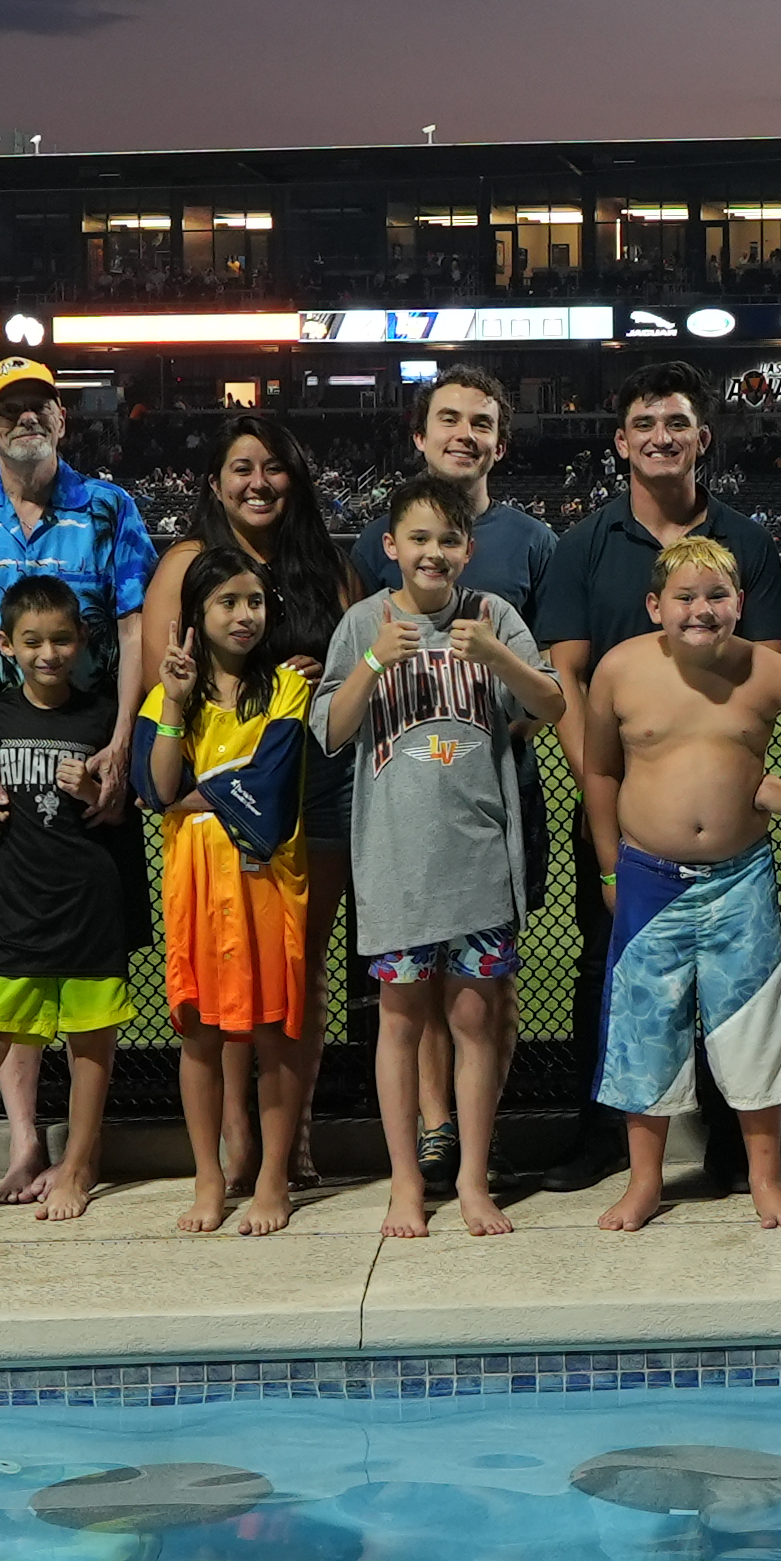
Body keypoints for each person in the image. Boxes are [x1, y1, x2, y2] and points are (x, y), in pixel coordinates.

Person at [533, 360, 781, 1194]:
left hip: (721, 822)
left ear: (701, 438)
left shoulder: (745, 542)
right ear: (621, 442)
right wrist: (598, 785)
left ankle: (729, 1146)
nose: (661, 437)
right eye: (645, 424)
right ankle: (603, 1136)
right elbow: (566, 678)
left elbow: (776, 662)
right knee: (610, 969)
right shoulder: (586, 544)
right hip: (623, 809)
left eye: (676, 423)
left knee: (733, 979)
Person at [0, 356, 155, 1205]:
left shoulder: (109, 506)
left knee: (80, 948)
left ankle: (72, 1152)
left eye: (40, 405)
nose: (26, 420)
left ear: (62, 417)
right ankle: (23, 1142)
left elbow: (132, 622)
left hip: (86, 749)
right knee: (3, 956)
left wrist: (121, 743)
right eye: (8, 410)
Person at [584, 536, 781, 1231]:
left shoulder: (765, 670)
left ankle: (765, 1177)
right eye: (684, 596)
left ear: (740, 604)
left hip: (739, 879)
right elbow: (599, 771)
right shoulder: (620, 669)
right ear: (655, 605)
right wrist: (606, 865)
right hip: (647, 878)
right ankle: (646, 1181)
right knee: (645, 1028)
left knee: (753, 1027)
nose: (701, 609)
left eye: (717, 596)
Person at [313, 474, 564, 1240]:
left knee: (476, 1019)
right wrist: (372, 664)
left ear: (468, 549)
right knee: (398, 1021)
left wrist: (496, 656)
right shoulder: (364, 623)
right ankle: (403, 1185)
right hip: (396, 869)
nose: (433, 551)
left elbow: (551, 707)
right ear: (390, 547)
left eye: (447, 539)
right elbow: (330, 730)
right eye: (417, 538)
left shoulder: (494, 616)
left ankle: (474, 1180)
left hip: (483, 862)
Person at [350, 366, 557, 1196]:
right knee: (415, 997)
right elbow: (358, 673)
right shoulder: (378, 544)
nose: (463, 433)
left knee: (485, 993)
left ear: (499, 442)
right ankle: (436, 1127)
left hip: (493, 783)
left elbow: (550, 683)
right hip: (405, 798)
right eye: (448, 418)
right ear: (420, 434)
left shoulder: (531, 541)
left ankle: (478, 1139)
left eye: (480, 421)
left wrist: (507, 716)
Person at [139, 416, 355, 1190]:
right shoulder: (187, 565)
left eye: (273, 467)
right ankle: (235, 1133)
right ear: (214, 482)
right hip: (210, 796)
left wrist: (314, 671)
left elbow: (351, 669)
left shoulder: (324, 564)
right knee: (226, 979)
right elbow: (159, 685)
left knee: (298, 970)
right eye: (240, 467)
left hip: (314, 789)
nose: (258, 482)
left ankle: (290, 1137)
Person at [0, 577, 146, 1236]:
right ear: (5, 644)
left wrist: (101, 785)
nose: (49, 653)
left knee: (92, 1047)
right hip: (15, 911)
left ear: (84, 640)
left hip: (89, 906)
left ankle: (77, 1165)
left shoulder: (104, 718)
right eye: (34, 641)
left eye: (63, 639)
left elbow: (128, 802)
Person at [136, 547, 312, 1235]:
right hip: (197, 888)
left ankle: (272, 1179)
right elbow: (154, 789)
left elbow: (270, 787)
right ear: (197, 615)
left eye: (255, 603)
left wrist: (195, 793)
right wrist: (176, 707)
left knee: (275, 1033)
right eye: (228, 603)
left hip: (267, 884)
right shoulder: (165, 695)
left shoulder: (288, 689)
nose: (245, 617)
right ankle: (209, 1178)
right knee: (201, 1035)